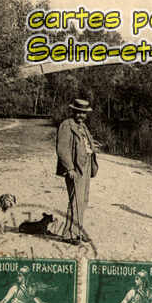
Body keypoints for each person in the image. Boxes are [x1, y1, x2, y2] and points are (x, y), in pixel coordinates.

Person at [55, 98, 98, 244]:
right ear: (73, 111)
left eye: (84, 113)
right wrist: (69, 168)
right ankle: (69, 234)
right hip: (74, 168)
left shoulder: (83, 126)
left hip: (85, 166)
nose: (81, 115)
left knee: (83, 200)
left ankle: (78, 231)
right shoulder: (66, 125)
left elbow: (86, 143)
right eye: (79, 112)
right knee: (75, 200)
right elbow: (62, 149)